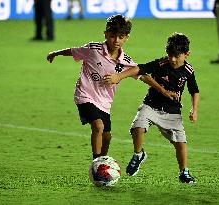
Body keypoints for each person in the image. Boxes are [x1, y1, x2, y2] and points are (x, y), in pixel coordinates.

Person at [46, 14, 176, 160]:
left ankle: (103, 162)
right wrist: (55, 53)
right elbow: (74, 51)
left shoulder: (126, 61)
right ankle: (96, 163)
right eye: (113, 36)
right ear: (106, 34)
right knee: (98, 127)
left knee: (107, 137)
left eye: (121, 37)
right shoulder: (93, 49)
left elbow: (143, 75)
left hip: (105, 103)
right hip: (85, 95)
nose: (116, 41)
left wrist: (162, 90)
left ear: (127, 38)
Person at [104, 32, 200, 184]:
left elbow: (194, 91)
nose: (173, 59)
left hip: (172, 112)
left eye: (177, 56)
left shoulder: (188, 71)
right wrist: (119, 77)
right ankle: (138, 154)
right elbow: (139, 69)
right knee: (137, 127)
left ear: (186, 54)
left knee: (180, 143)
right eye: (170, 55)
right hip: (151, 105)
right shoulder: (161, 64)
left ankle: (184, 172)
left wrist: (194, 110)